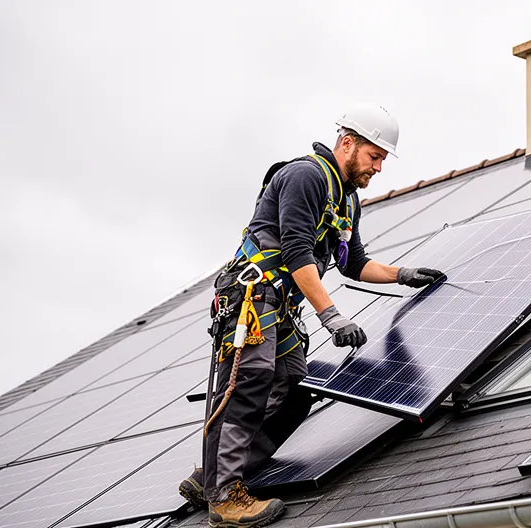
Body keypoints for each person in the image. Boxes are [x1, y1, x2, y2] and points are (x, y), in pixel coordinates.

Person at [178, 103, 444, 527]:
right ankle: (225, 497)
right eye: (374, 156)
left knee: (294, 384)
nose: (378, 167)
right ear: (347, 142)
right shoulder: (305, 176)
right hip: (252, 295)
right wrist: (332, 317)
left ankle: (212, 476)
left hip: (280, 305)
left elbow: (353, 262)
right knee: (250, 382)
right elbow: (297, 250)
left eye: (382, 160)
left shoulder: (347, 201)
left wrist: (402, 274)